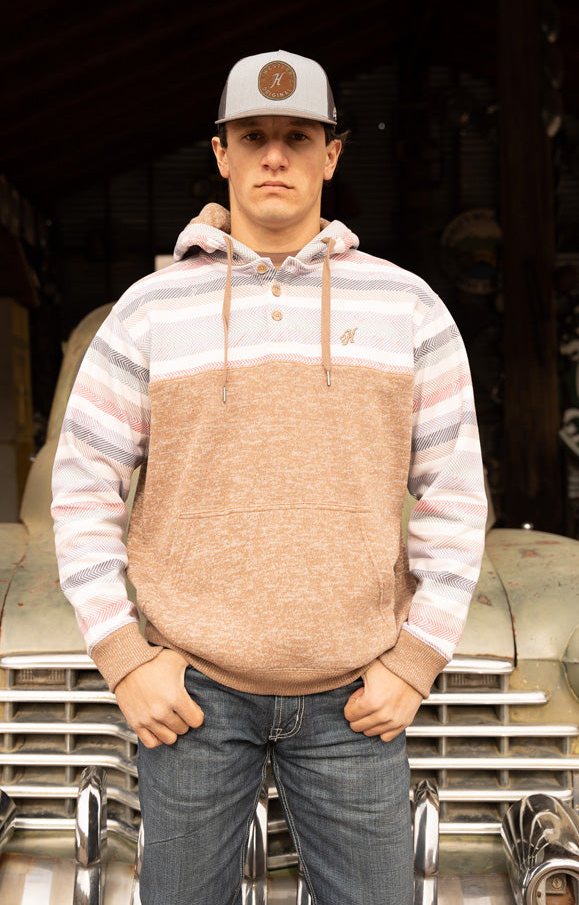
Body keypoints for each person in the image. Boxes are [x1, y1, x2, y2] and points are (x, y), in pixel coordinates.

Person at [51, 49, 487, 904]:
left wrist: (414, 661)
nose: (275, 156)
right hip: (193, 700)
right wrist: (124, 657)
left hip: (356, 704)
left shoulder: (407, 306)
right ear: (220, 153)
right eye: (254, 136)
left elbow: (455, 494)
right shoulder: (149, 310)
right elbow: (82, 486)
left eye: (298, 136)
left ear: (332, 153)